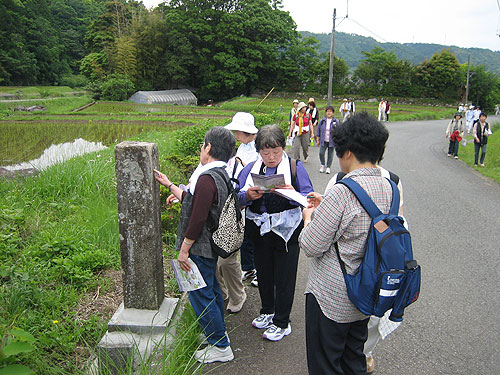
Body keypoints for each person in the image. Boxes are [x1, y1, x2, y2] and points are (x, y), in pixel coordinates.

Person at [300, 112, 393, 375]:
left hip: (333, 297)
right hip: (366, 292)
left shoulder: (342, 191)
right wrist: (325, 207)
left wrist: (309, 217)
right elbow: (370, 225)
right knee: (354, 358)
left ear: (348, 152)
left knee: (325, 364)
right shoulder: (390, 187)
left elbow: (311, 245)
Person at [154, 127, 236, 364]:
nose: (201, 148)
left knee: (201, 294)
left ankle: (220, 345)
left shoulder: (206, 179)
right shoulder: (220, 174)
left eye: (203, 145)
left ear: (208, 147)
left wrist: (184, 249)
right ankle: (216, 334)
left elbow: (198, 217)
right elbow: (195, 203)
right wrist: (169, 184)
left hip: (199, 247)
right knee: (210, 290)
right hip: (211, 245)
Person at [237, 125, 313, 341]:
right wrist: (248, 196)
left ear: (283, 148)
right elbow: (237, 195)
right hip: (259, 229)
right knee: (264, 272)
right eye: (265, 153)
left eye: (276, 152)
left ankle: (282, 321)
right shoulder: (251, 168)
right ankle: (267, 311)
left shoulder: (295, 167)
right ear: (258, 151)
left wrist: (293, 193)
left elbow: (309, 198)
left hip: (287, 231)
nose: (271, 158)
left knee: (284, 276)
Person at [219, 112, 259, 313]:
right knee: (244, 238)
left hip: (252, 198)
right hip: (239, 199)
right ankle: (249, 268)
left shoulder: (259, 148)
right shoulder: (242, 147)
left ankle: (255, 270)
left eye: (237, 131)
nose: (235, 134)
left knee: (254, 237)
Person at [316, 105, 339, 174]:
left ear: (333, 113)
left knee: (330, 154)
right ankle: (322, 165)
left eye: (330, 111)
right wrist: (318, 139)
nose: (329, 113)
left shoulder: (336, 121)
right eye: (328, 111)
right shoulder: (322, 121)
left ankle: (328, 167)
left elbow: (338, 131)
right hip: (323, 140)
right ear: (326, 112)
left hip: (332, 141)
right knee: (321, 153)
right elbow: (318, 130)